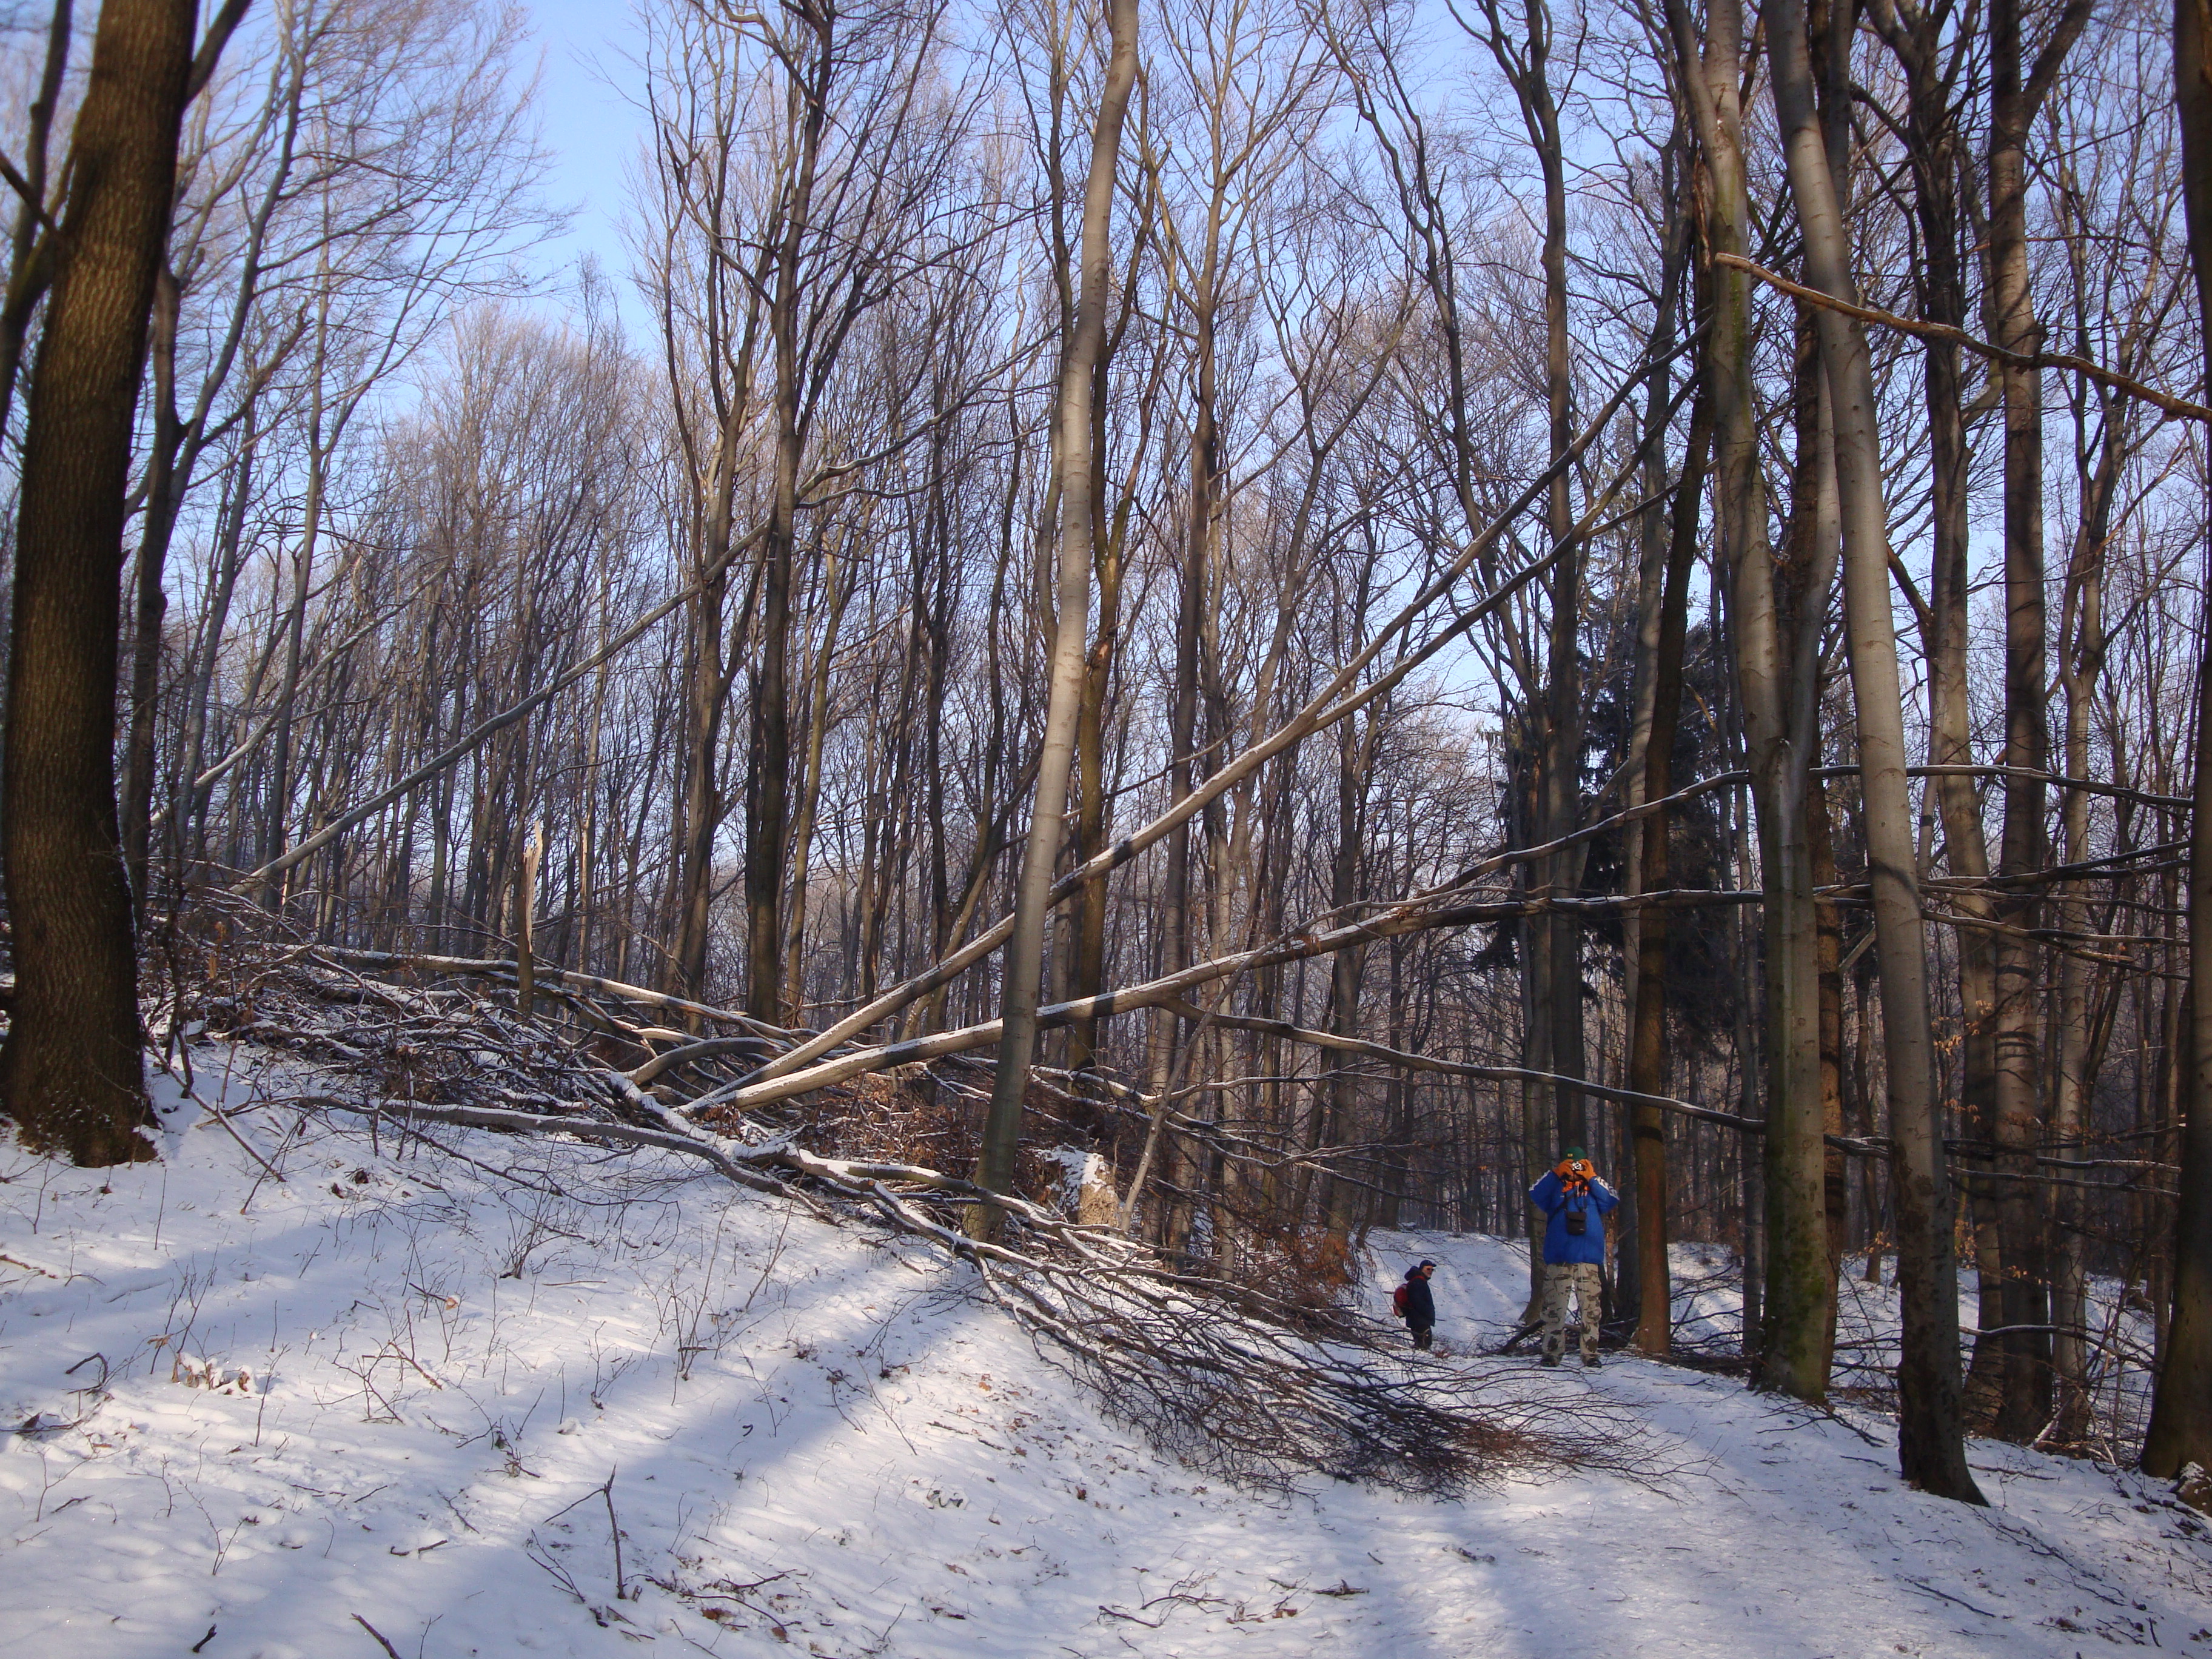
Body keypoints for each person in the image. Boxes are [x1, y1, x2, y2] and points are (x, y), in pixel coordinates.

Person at [1527, 1147, 1619, 1367]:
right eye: (1571, 1165)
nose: (1575, 1169)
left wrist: (1592, 1177)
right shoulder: (1554, 1186)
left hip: (1588, 1258)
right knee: (1554, 1309)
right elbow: (1535, 1193)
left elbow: (1612, 1199)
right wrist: (1557, 1174)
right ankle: (1551, 1353)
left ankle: (1590, 1354)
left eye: (1578, 1165)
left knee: (1591, 1310)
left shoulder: (1594, 1187)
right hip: (1559, 1257)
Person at [1396, 1259, 1437, 1350]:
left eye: (1432, 1270)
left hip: (1418, 1319)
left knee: (1421, 1344)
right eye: (1428, 1269)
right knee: (1424, 1344)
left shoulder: (1418, 1281)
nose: (1430, 1272)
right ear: (1422, 1269)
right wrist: (1428, 1312)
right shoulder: (1418, 1282)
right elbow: (1417, 1301)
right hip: (1420, 1319)